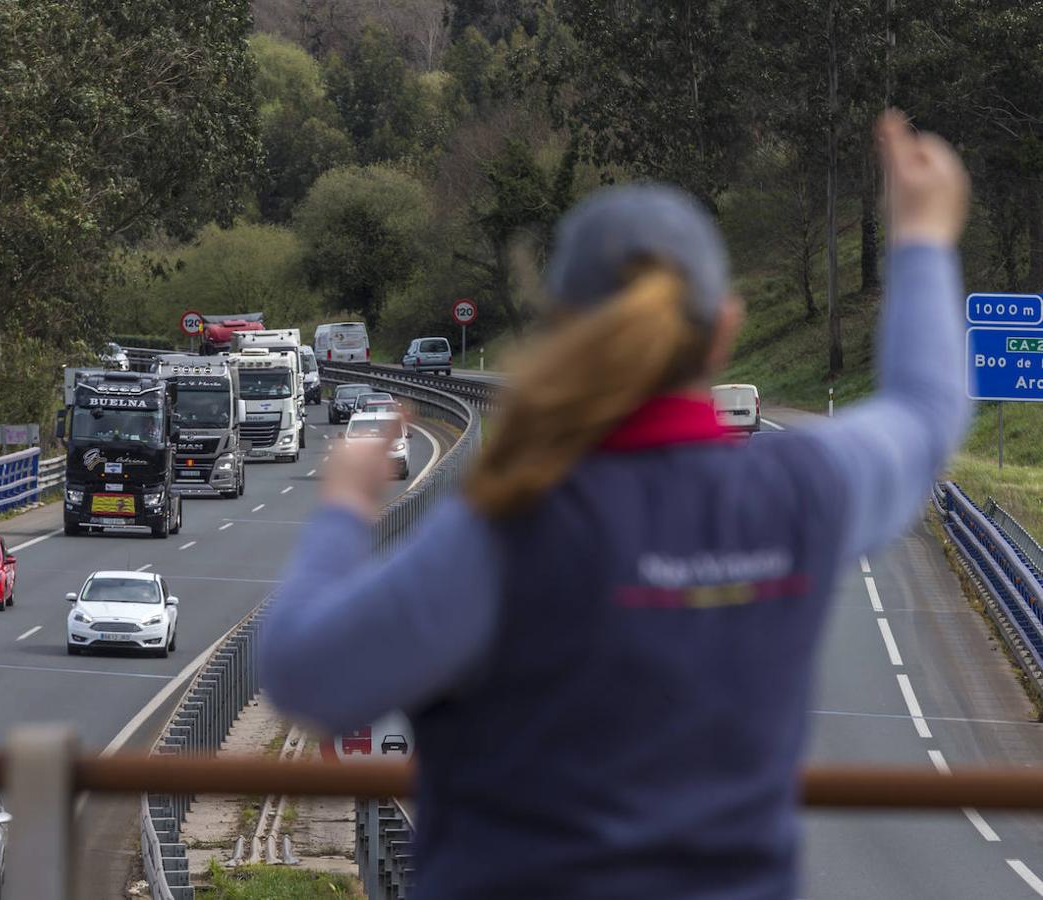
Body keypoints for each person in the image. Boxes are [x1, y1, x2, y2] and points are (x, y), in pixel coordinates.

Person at [260, 111, 970, 899]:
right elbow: (927, 411)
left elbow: (302, 675)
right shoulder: (800, 491)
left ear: (562, 327)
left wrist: (345, 510)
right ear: (724, 331)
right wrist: (922, 233)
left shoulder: (512, 525)